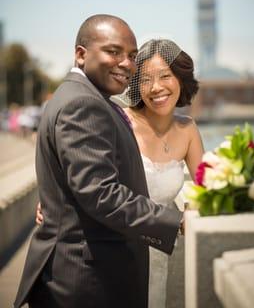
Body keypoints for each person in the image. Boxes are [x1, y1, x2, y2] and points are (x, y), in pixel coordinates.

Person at [14, 15, 183, 308]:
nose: (127, 64)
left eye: (131, 56)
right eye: (114, 52)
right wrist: (176, 221)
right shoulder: (83, 104)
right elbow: (101, 194)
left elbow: (80, 186)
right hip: (86, 282)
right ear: (81, 54)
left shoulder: (86, 98)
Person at [121, 39, 204, 308]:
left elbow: (206, 186)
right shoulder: (121, 122)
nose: (156, 87)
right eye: (145, 79)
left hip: (162, 250)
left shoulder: (188, 129)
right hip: (119, 250)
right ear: (135, 84)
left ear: (180, 78)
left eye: (165, 76)